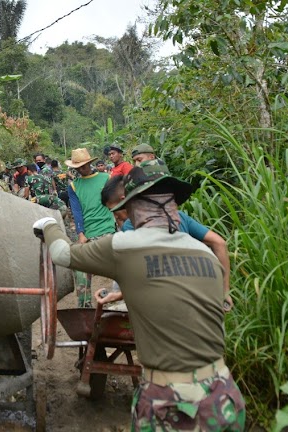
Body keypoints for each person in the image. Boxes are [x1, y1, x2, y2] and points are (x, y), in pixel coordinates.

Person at [32, 165, 245, 431]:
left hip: (171, 404)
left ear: (130, 207)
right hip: (224, 397)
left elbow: (62, 254)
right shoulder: (207, 257)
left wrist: (49, 225)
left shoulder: (125, 246)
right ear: (173, 204)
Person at [101, 160, 233, 310]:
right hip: (200, 295)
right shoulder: (181, 216)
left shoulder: (131, 227)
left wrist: (121, 295)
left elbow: (145, 275)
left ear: (126, 202)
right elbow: (219, 243)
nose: (116, 217)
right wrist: (225, 291)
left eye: (115, 211)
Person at [65, 148, 116, 307]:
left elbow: (116, 203)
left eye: (85, 165)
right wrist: (80, 233)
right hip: (88, 232)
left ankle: (120, 301)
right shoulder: (74, 186)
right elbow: (76, 211)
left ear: (90, 163)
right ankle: (84, 308)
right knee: (79, 269)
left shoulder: (106, 178)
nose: (82, 169)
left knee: (121, 265)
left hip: (107, 229)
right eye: (78, 167)